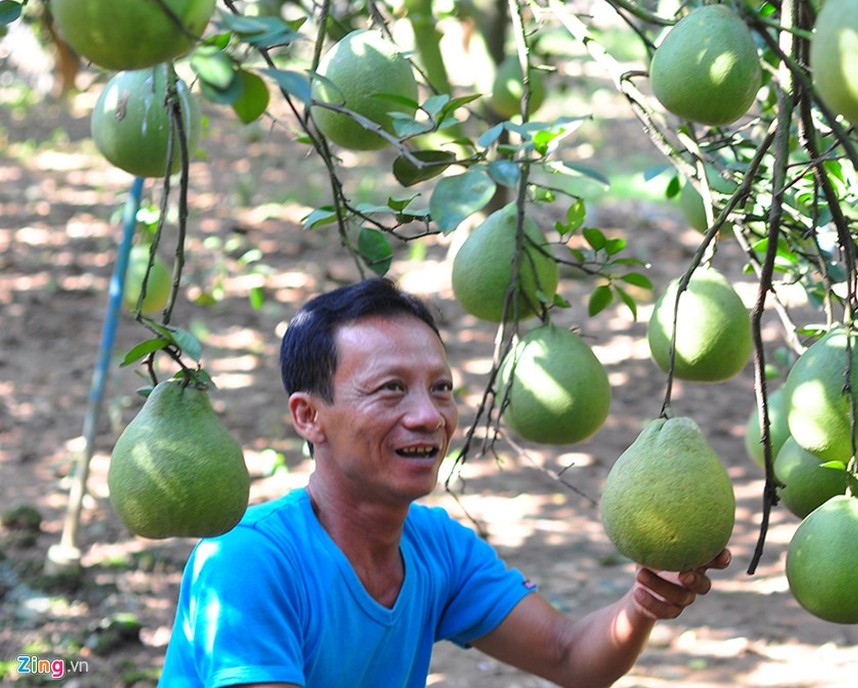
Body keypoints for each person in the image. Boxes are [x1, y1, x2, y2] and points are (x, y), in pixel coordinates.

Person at [159, 277, 732, 688]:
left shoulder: (436, 547)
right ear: (309, 416)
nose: (430, 416)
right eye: (390, 389)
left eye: (440, 388)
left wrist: (644, 602)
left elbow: (568, 656)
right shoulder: (247, 562)